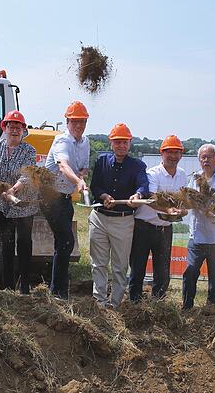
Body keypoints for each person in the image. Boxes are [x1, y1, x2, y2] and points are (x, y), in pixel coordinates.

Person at [88, 123, 148, 307]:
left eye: (124, 142)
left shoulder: (137, 165)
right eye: (117, 142)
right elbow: (95, 186)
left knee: (120, 265)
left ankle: (115, 304)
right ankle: (100, 302)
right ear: (111, 143)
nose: (121, 145)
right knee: (98, 263)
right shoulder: (101, 161)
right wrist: (104, 195)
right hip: (99, 217)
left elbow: (143, 185)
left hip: (123, 220)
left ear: (129, 143)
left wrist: (137, 196)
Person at [129, 135, 187, 302]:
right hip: (143, 227)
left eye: (177, 153)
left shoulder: (182, 175)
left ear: (181, 155)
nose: (173, 156)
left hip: (164, 228)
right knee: (138, 268)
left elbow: (181, 199)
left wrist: (182, 209)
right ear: (162, 154)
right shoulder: (153, 174)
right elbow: (152, 199)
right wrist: (168, 209)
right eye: (169, 152)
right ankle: (134, 304)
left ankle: (158, 304)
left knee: (162, 271)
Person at [43, 100, 90, 300]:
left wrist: (82, 176)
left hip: (65, 198)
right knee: (66, 241)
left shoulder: (85, 142)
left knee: (64, 243)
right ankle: (57, 290)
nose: (79, 125)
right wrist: (78, 181)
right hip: (50, 196)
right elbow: (63, 166)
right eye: (75, 121)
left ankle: (59, 288)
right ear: (67, 121)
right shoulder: (62, 142)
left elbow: (83, 167)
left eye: (82, 121)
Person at [0, 110, 39, 294]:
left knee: (24, 244)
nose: (15, 130)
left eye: (19, 127)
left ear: (23, 130)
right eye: (11, 126)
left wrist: (12, 189)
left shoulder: (29, 150)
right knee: (5, 243)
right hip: (1, 204)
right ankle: (6, 287)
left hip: (23, 204)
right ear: (5, 127)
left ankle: (24, 286)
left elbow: (27, 175)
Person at [182, 143, 215, 310]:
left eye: (209, 157)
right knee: (190, 273)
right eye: (203, 157)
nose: (206, 160)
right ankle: (187, 308)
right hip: (197, 236)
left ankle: (211, 312)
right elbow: (188, 199)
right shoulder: (195, 178)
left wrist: (213, 206)